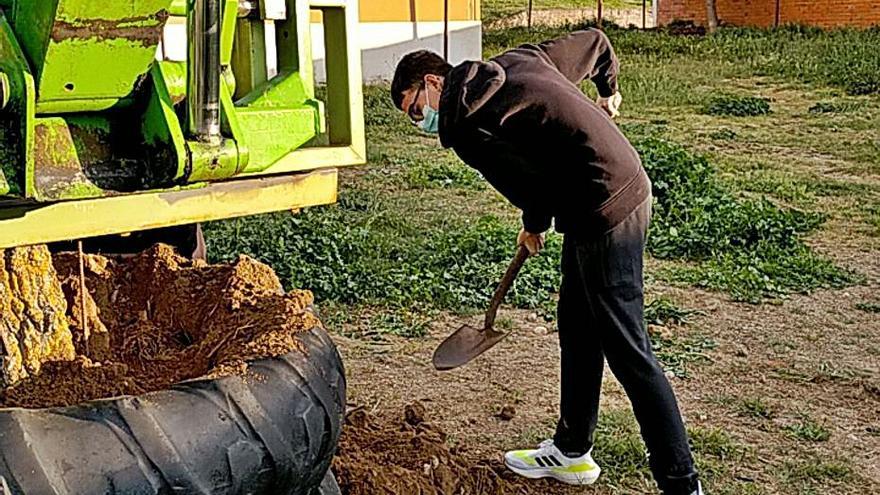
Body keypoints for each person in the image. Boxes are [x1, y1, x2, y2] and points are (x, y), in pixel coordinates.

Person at [390, 29, 702, 495]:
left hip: (605, 206)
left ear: (435, 82)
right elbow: (596, 43)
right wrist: (608, 90)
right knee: (577, 324)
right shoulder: (517, 60)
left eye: (417, 110)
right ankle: (572, 452)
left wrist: (533, 222)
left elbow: (528, 184)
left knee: (626, 347)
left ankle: (683, 484)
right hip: (610, 184)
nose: (422, 123)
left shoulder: (468, 125)